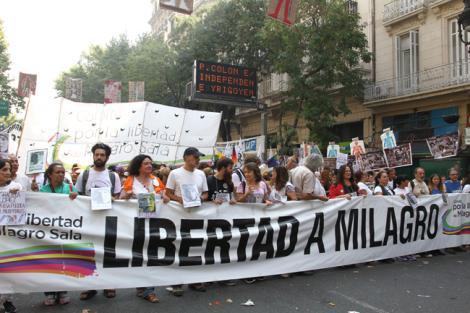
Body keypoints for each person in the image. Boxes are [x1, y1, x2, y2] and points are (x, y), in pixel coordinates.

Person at [76, 143, 121, 301]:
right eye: (97, 154)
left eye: (102, 155)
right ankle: (89, 286)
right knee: (88, 254)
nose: (99, 157)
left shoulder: (113, 176)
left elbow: (119, 198)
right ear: (93, 156)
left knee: (108, 253)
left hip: (107, 221)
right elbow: (78, 195)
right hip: (89, 221)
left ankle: (108, 284)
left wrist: (116, 199)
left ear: (107, 157)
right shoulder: (85, 175)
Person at [120, 154, 167, 303]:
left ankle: (149, 290)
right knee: (139, 256)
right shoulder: (131, 180)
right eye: (146, 163)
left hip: (154, 224)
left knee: (152, 255)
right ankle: (141, 286)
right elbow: (121, 197)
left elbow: (164, 194)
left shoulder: (155, 180)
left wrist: (165, 196)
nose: (149, 166)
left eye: (151, 163)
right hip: (136, 225)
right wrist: (126, 196)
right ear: (139, 166)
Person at [165, 147, 208, 296]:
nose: (198, 160)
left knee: (195, 248)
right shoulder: (174, 173)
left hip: (196, 216)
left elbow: (206, 193)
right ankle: (176, 283)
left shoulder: (201, 174)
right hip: (178, 216)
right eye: (195, 157)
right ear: (186, 158)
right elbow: (168, 193)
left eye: (198, 157)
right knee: (178, 247)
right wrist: (180, 200)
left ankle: (194, 280)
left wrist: (200, 198)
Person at [40, 162, 78, 306]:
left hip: (65, 232)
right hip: (48, 233)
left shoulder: (70, 188)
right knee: (48, 263)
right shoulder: (43, 191)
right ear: (50, 174)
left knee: (63, 262)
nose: (61, 175)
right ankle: (49, 293)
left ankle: (62, 291)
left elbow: (79, 208)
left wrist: (76, 198)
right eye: (58, 172)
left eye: (63, 172)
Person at [0, 159, 21, 313]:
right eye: (4, 170)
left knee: (8, 269)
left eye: (8, 169)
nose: (8, 172)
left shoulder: (16, 187)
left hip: (9, 237)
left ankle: (7, 300)